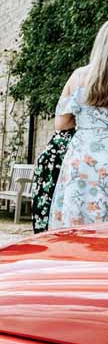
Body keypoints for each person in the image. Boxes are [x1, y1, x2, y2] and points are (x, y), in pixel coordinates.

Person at [50, 21, 108, 230]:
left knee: (78, 222)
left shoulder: (79, 77)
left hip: (85, 158)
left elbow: (61, 123)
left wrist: (84, 120)